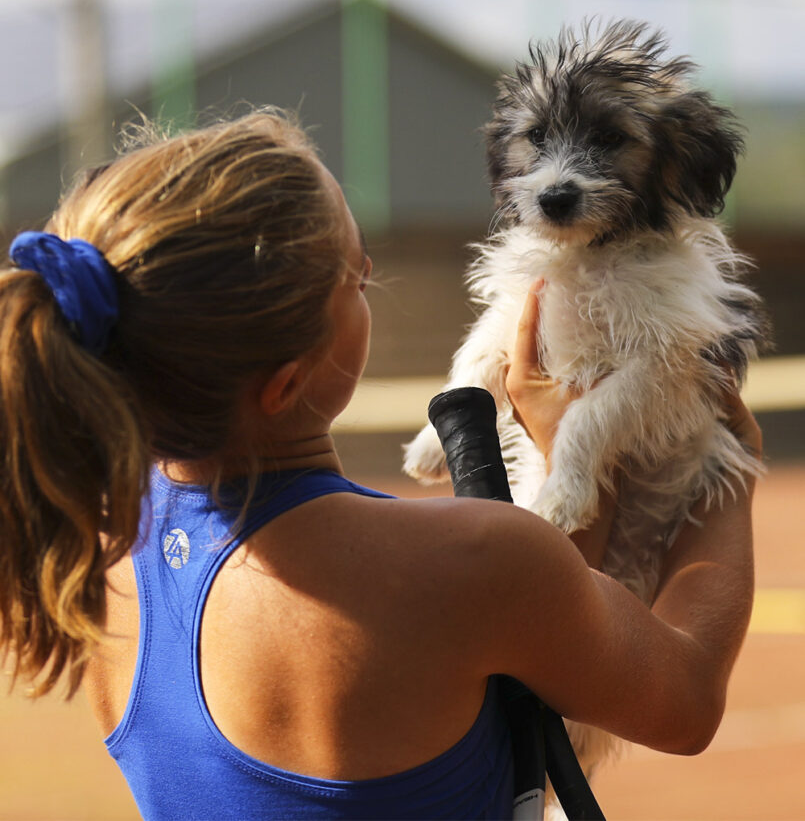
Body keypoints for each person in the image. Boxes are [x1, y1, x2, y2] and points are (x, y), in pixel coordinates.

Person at [0, 109, 759, 820]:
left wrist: (568, 468)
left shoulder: (103, 565)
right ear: (287, 382)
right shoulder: (470, 561)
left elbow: (530, 661)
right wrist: (728, 462)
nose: (368, 276)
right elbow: (682, 698)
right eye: (354, 278)